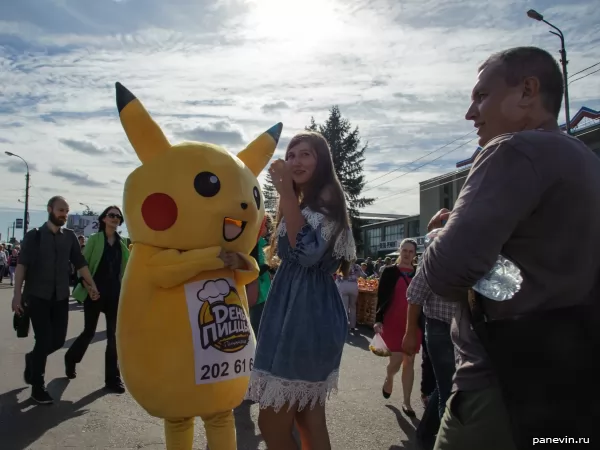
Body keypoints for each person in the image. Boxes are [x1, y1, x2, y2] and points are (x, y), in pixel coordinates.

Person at [422, 46, 600, 450]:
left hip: (500, 389)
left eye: (481, 96)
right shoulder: (587, 163)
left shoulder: (512, 150)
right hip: (576, 384)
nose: (471, 113)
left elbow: (446, 273)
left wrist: (439, 236)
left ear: (527, 92)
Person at [246, 131, 356, 450]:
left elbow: (306, 251)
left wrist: (285, 192)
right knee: (308, 418)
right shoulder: (306, 202)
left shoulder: (325, 202)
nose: (295, 160)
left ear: (321, 160)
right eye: (291, 154)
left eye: (305, 154)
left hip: (306, 318)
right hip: (299, 312)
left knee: (271, 421)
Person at [11, 196, 98, 404]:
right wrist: (16, 295)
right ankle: (37, 385)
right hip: (37, 296)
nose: (64, 215)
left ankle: (32, 359)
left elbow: (80, 262)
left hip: (60, 297)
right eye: (61, 210)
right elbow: (22, 265)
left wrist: (91, 284)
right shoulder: (35, 236)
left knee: (58, 340)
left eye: (66, 211)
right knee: (43, 339)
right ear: (49, 209)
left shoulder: (69, 237)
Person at [65, 206, 130, 393]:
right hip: (94, 291)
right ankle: (71, 359)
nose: (115, 218)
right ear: (103, 219)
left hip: (115, 294)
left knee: (113, 337)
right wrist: (89, 287)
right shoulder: (95, 239)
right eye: (111, 215)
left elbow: (126, 271)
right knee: (89, 332)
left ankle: (113, 379)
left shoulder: (123, 243)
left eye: (118, 216)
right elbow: (82, 265)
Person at [373, 239, 419, 416]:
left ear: (415, 254)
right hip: (393, 321)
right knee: (396, 360)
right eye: (404, 250)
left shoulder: (418, 273)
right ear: (399, 251)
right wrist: (378, 319)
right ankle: (389, 377)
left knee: (410, 361)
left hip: (412, 323)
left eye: (411, 251)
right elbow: (381, 296)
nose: (407, 254)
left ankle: (407, 402)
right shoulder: (390, 271)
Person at [248, 214, 273, 335]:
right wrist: (269, 264)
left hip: (264, 292)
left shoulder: (261, 242)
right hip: (258, 293)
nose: (268, 230)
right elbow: (256, 267)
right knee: (257, 327)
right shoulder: (255, 243)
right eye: (266, 227)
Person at [336, 261, 366, 331]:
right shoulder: (357, 266)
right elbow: (364, 275)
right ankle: (352, 325)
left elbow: (337, 278)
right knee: (353, 307)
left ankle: (345, 325)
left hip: (343, 286)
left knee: (344, 307)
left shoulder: (341, 265)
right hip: (353, 286)